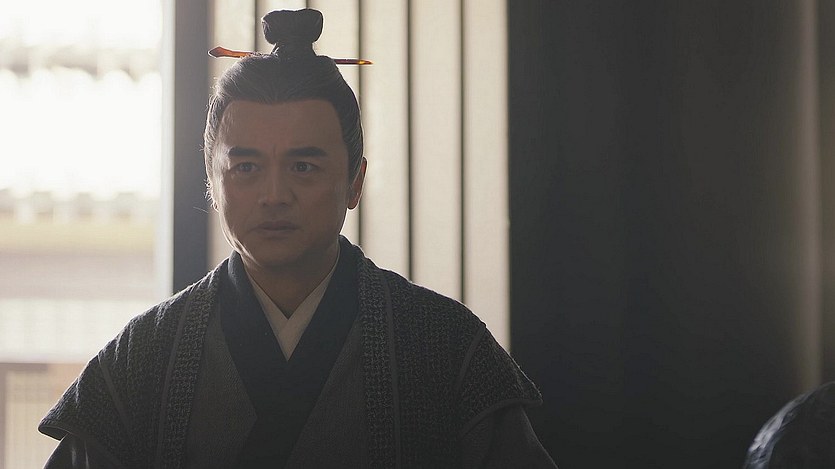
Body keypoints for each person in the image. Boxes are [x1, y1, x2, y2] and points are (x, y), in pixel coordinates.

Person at [39, 9, 556, 468]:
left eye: (303, 166)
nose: (274, 195)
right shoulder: (144, 358)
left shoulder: (444, 347)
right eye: (246, 168)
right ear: (212, 182)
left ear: (355, 181)